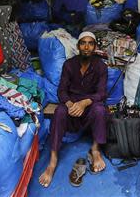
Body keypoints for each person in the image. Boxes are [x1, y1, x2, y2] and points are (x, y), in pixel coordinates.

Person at [39, 31, 109, 187]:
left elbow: (102, 93)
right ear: (78, 46)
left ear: (95, 47)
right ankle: (53, 160)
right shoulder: (69, 65)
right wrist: (70, 104)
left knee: (100, 109)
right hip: (71, 109)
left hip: (89, 108)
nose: (86, 46)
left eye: (90, 43)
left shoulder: (101, 67)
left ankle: (95, 150)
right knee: (59, 111)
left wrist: (85, 102)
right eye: (83, 43)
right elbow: (61, 91)